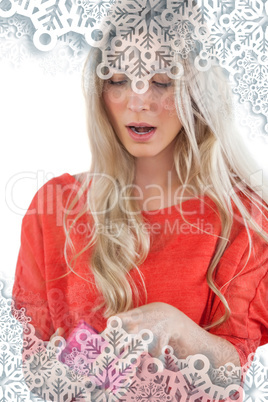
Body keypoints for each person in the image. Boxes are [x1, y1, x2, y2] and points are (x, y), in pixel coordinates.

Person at [12, 0, 268, 398]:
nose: (138, 101)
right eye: (118, 79)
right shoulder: (55, 207)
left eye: (162, 81)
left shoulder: (248, 219)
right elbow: (29, 361)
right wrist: (74, 369)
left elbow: (244, 370)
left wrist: (178, 330)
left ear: (197, 90)